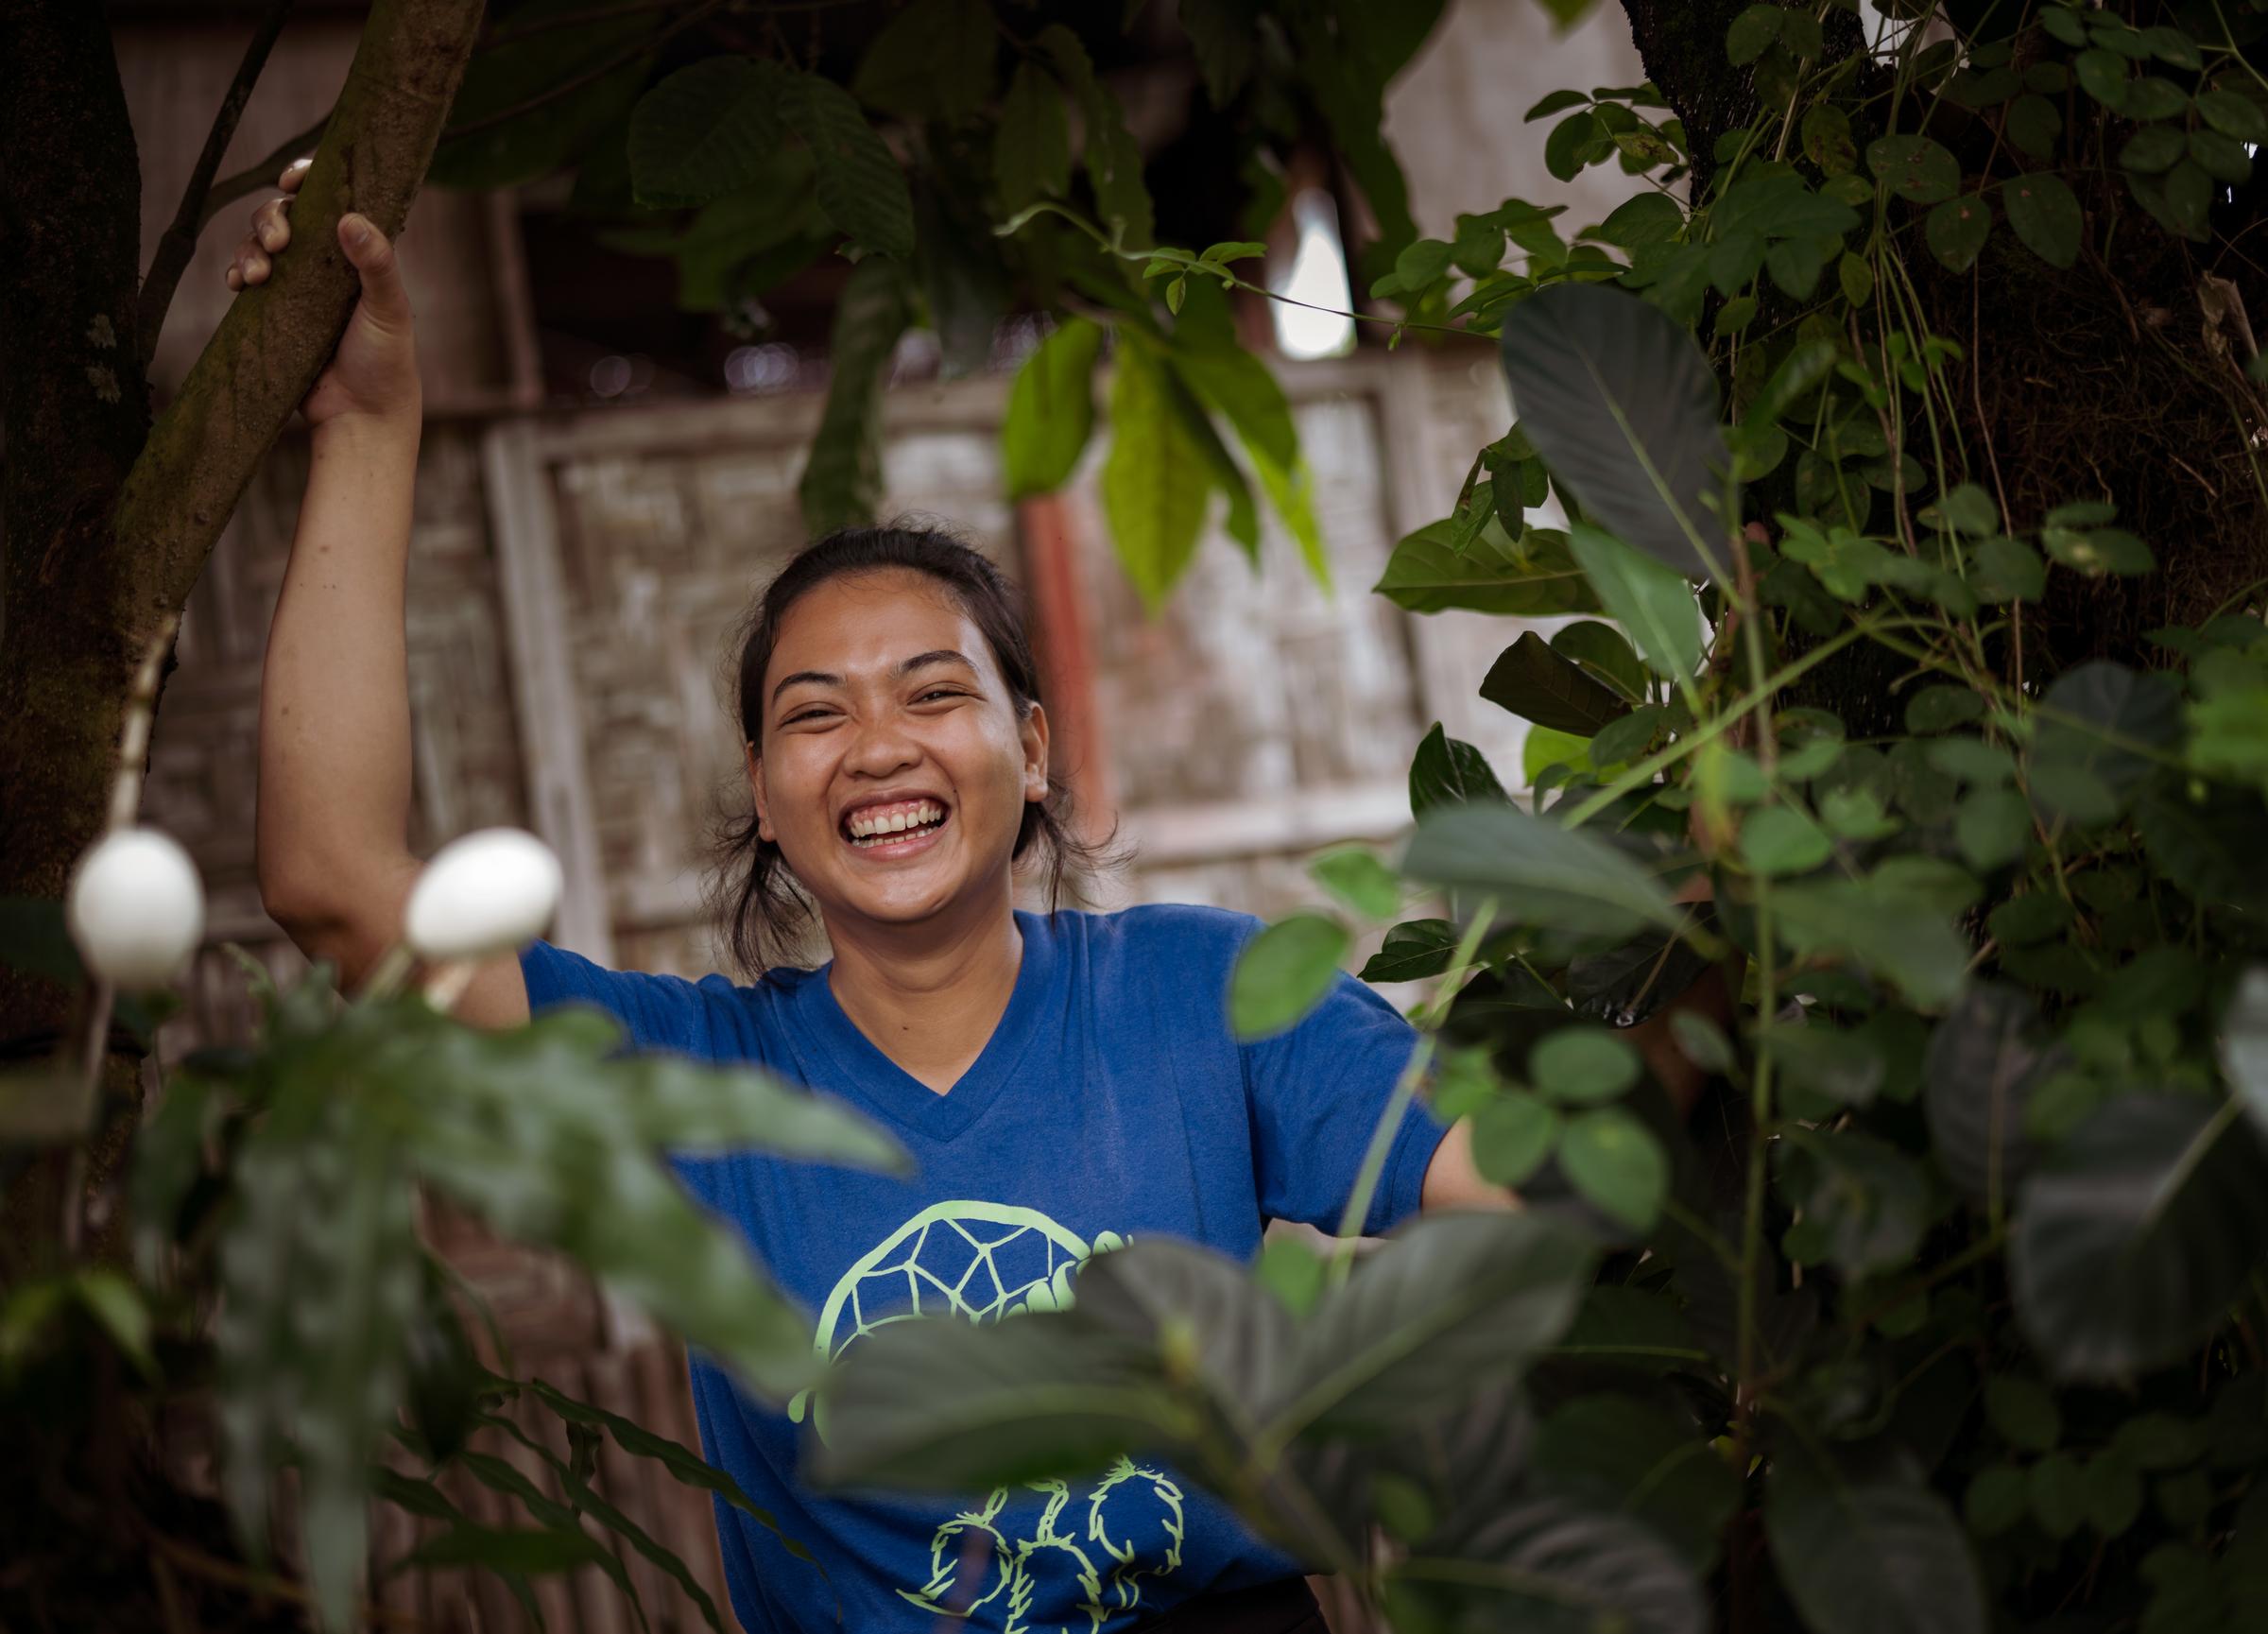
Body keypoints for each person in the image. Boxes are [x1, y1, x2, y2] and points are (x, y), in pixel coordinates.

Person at [238, 163, 1526, 1634]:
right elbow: (331, 882)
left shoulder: (1209, 996)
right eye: (814, 713)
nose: (878, 747)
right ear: (765, 793)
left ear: (1030, 748)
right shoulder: (697, 1083)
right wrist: (369, 427)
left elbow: (1526, 1184)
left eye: (931, 692)